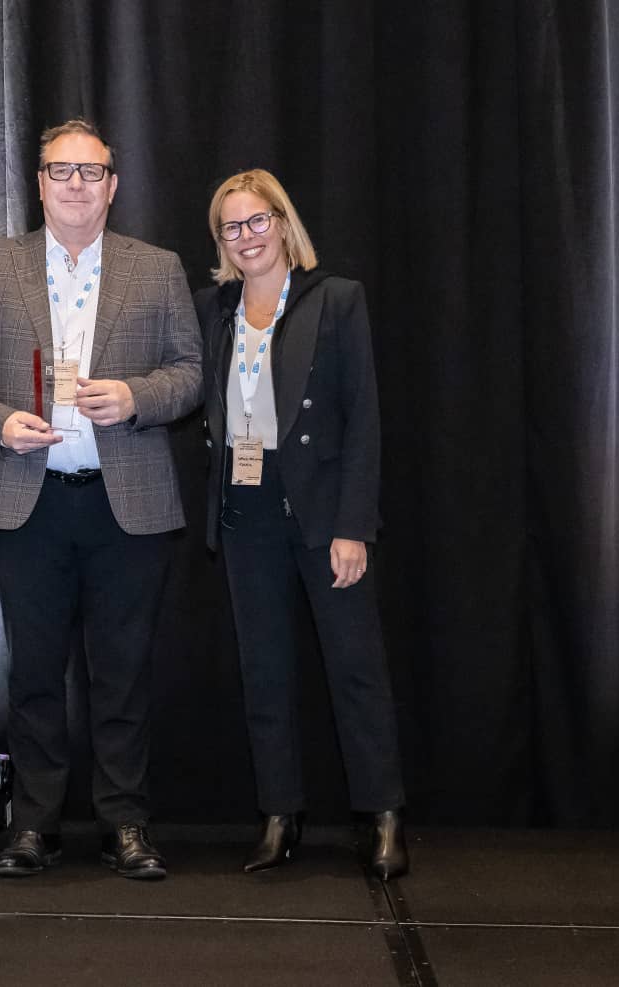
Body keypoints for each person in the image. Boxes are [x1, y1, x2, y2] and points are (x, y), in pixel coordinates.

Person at [0, 119, 201, 879]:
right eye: (61, 171)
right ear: (41, 183)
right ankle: (34, 826)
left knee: (123, 672)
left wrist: (137, 396)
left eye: (91, 172)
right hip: (30, 500)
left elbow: (189, 372)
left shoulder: (158, 268)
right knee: (35, 673)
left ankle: (126, 824)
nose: (76, 184)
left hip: (129, 503)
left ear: (113, 185)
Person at [193, 169, 408, 879]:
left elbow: (366, 420)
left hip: (321, 511)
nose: (247, 237)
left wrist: (354, 525)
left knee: (356, 670)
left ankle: (381, 817)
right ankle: (279, 815)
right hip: (245, 509)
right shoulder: (214, 309)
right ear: (221, 240)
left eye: (258, 221)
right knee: (265, 673)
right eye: (233, 226)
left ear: (283, 224)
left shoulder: (336, 300)